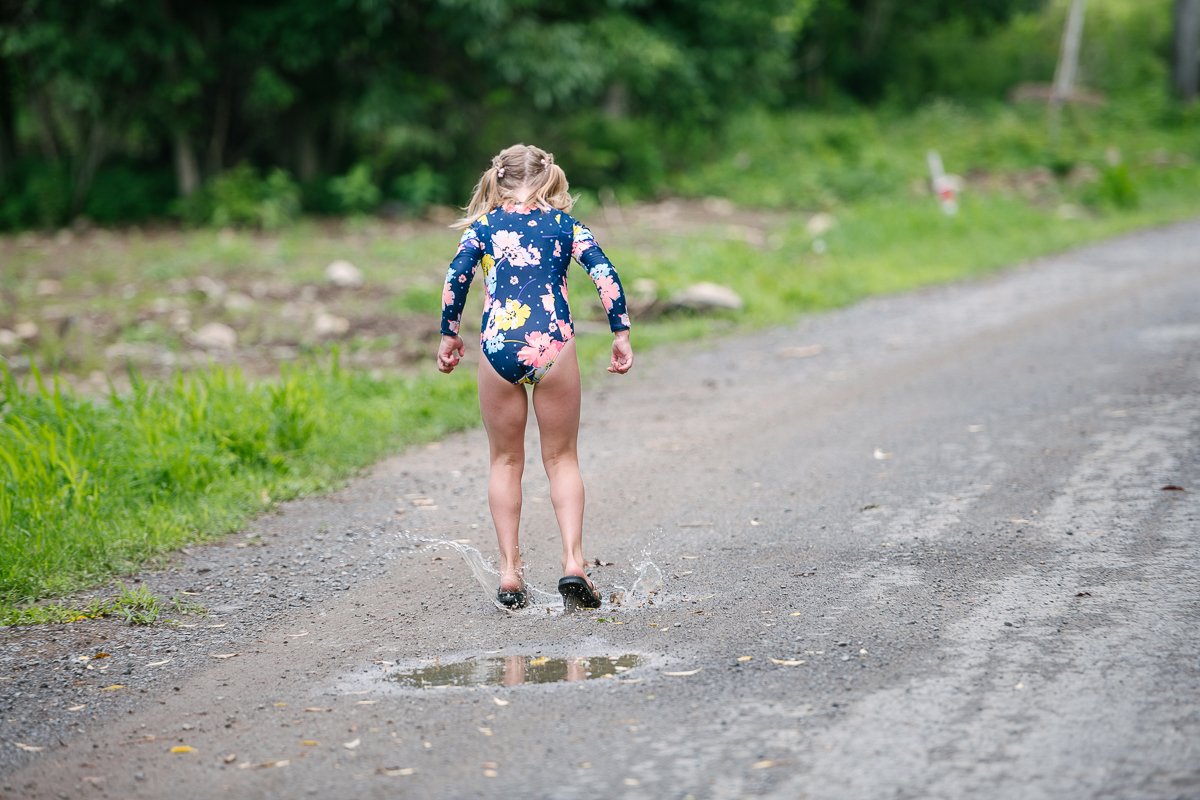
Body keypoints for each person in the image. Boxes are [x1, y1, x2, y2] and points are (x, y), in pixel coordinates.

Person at [436, 143, 633, 612]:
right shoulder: (565, 226)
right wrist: (620, 332)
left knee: (505, 460)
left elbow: (455, 278)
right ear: (550, 179)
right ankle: (573, 562)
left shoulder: (482, 228)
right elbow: (604, 273)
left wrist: (448, 335)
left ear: (498, 180)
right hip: (553, 344)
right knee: (562, 458)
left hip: (498, 346)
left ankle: (509, 573)